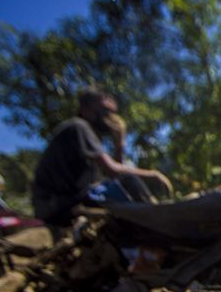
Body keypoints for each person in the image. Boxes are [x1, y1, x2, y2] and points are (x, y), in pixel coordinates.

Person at [32, 87, 172, 227]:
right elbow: (113, 170)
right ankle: (160, 224)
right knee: (130, 180)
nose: (108, 117)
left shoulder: (85, 134)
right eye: (104, 111)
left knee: (121, 186)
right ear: (85, 108)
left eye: (110, 113)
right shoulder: (78, 126)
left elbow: (113, 176)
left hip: (60, 204)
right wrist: (153, 174)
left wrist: (119, 145)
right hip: (58, 205)